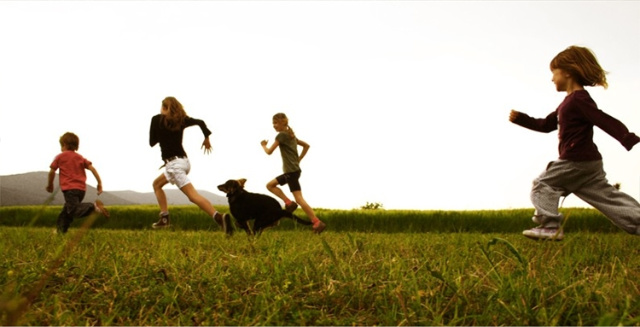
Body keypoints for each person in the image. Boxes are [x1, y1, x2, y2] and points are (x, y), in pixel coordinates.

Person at [509, 45, 640, 241]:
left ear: (568, 72)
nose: (552, 78)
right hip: (588, 163)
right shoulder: (567, 103)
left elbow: (602, 119)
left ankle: (550, 226)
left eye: (554, 73)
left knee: (542, 183)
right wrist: (522, 119)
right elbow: (546, 125)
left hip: (576, 160)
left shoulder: (578, 100)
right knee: (607, 198)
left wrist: (626, 137)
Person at [149, 96, 232, 234]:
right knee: (157, 184)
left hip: (174, 164)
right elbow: (200, 122)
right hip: (183, 162)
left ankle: (218, 217)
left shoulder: (156, 119)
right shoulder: (181, 120)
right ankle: (164, 218)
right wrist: (206, 138)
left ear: (164, 108)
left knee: (192, 196)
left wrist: (162, 131)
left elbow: (152, 142)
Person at [260, 112, 326, 234]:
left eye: (275, 123)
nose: (273, 126)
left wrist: (264, 145)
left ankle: (317, 222)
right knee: (270, 185)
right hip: (293, 171)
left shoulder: (281, 136)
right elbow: (306, 146)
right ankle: (289, 203)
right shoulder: (291, 135)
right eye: (273, 123)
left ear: (282, 123)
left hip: (291, 172)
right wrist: (298, 160)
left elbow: (269, 152)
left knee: (299, 199)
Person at [46, 132, 110, 234]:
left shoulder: (60, 157)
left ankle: (93, 207)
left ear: (64, 144)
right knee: (66, 212)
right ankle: (60, 231)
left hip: (69, 189)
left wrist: (50, 184)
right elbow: (92, 169)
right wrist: (99, 183)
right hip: (81, 190)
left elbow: (52, 171)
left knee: (73, 210)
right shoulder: (80, 157)